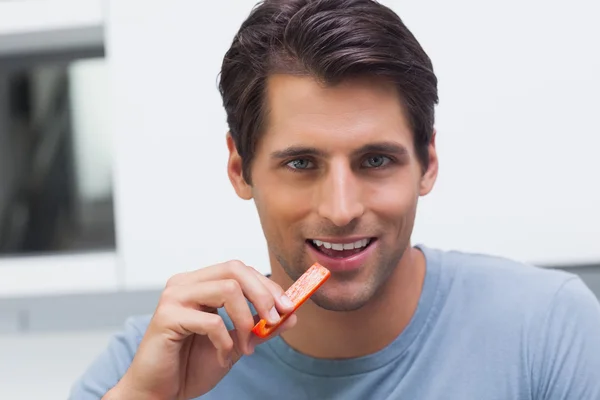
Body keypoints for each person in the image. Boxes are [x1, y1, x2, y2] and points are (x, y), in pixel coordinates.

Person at [70, 0, 600, 399]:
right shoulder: (148, 362)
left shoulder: (549, 331)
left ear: (428, 163)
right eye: (301, 163)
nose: (341, 209)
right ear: (240, 169)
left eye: (375, 161)